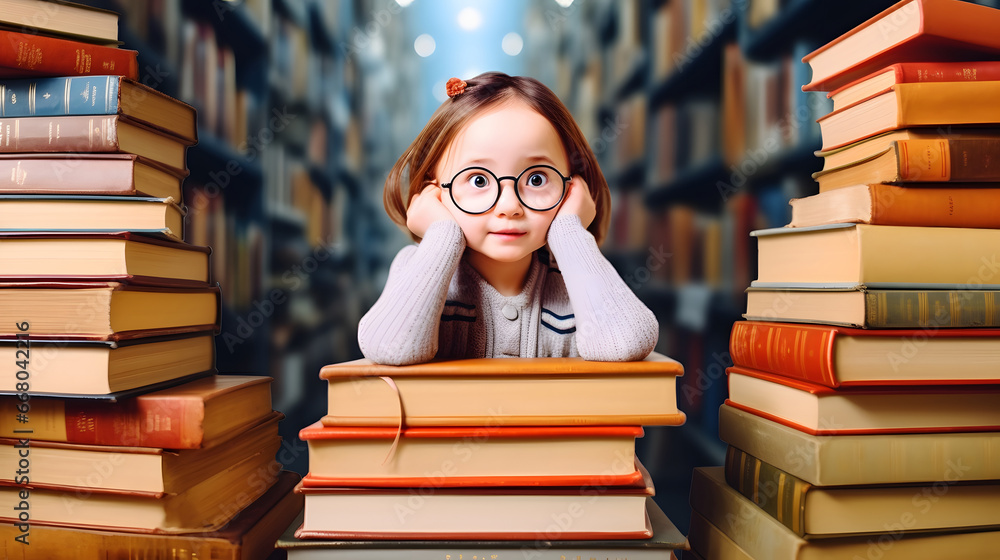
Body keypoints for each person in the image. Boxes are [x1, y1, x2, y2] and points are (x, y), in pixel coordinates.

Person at [358, 72, 658, 365]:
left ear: (572, 189)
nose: (510, 206)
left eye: (538, 179)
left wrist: (570, 232)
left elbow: (626, 344)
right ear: (434, 193)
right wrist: (442, 234)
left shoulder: (581, 275)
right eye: (477, 180)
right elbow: (390, 349)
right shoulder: (415, 266)